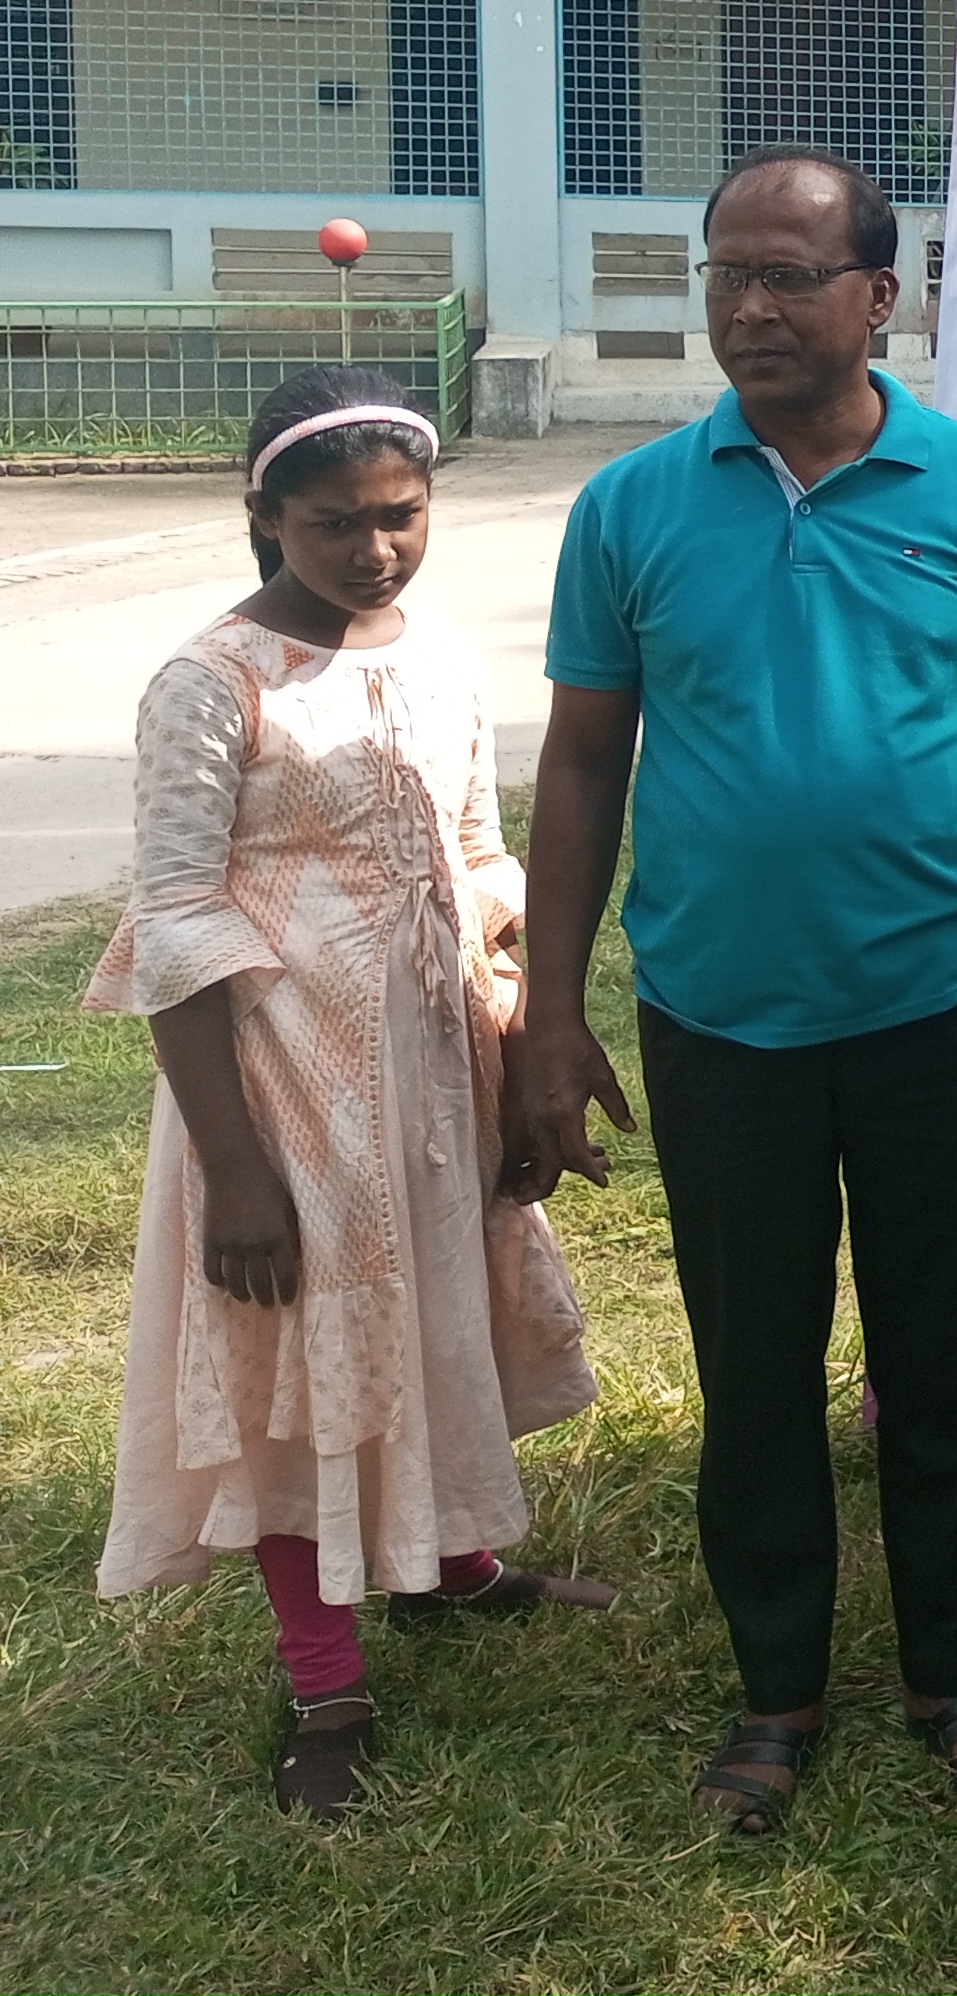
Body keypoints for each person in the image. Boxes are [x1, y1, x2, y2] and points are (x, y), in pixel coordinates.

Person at [501, 145, 957, 1835]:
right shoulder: (631, 506)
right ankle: (777, 1693)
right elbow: (583, 763)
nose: (749, 306)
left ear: (879, 297)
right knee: (754, 1374)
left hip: (950, 1007)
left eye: (787, 274)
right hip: (720, 1019)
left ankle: (955, 1678)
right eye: (726, 274)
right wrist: (552, 1013)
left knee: (950, 1369)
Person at [88, 372, 607, 1818]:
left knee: (428, 1301)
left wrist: (519, 1058)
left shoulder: (438, 661)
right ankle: (324, 1678)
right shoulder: (213, 683)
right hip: (283, 1084)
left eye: (402, 516)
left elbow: (478, 862)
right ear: (264, 516)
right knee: (300, 1356)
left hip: (433, 1069)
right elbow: (175, 925)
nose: (376, 550)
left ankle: (446, 1565)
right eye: (334, 524)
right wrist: (236, 1171)